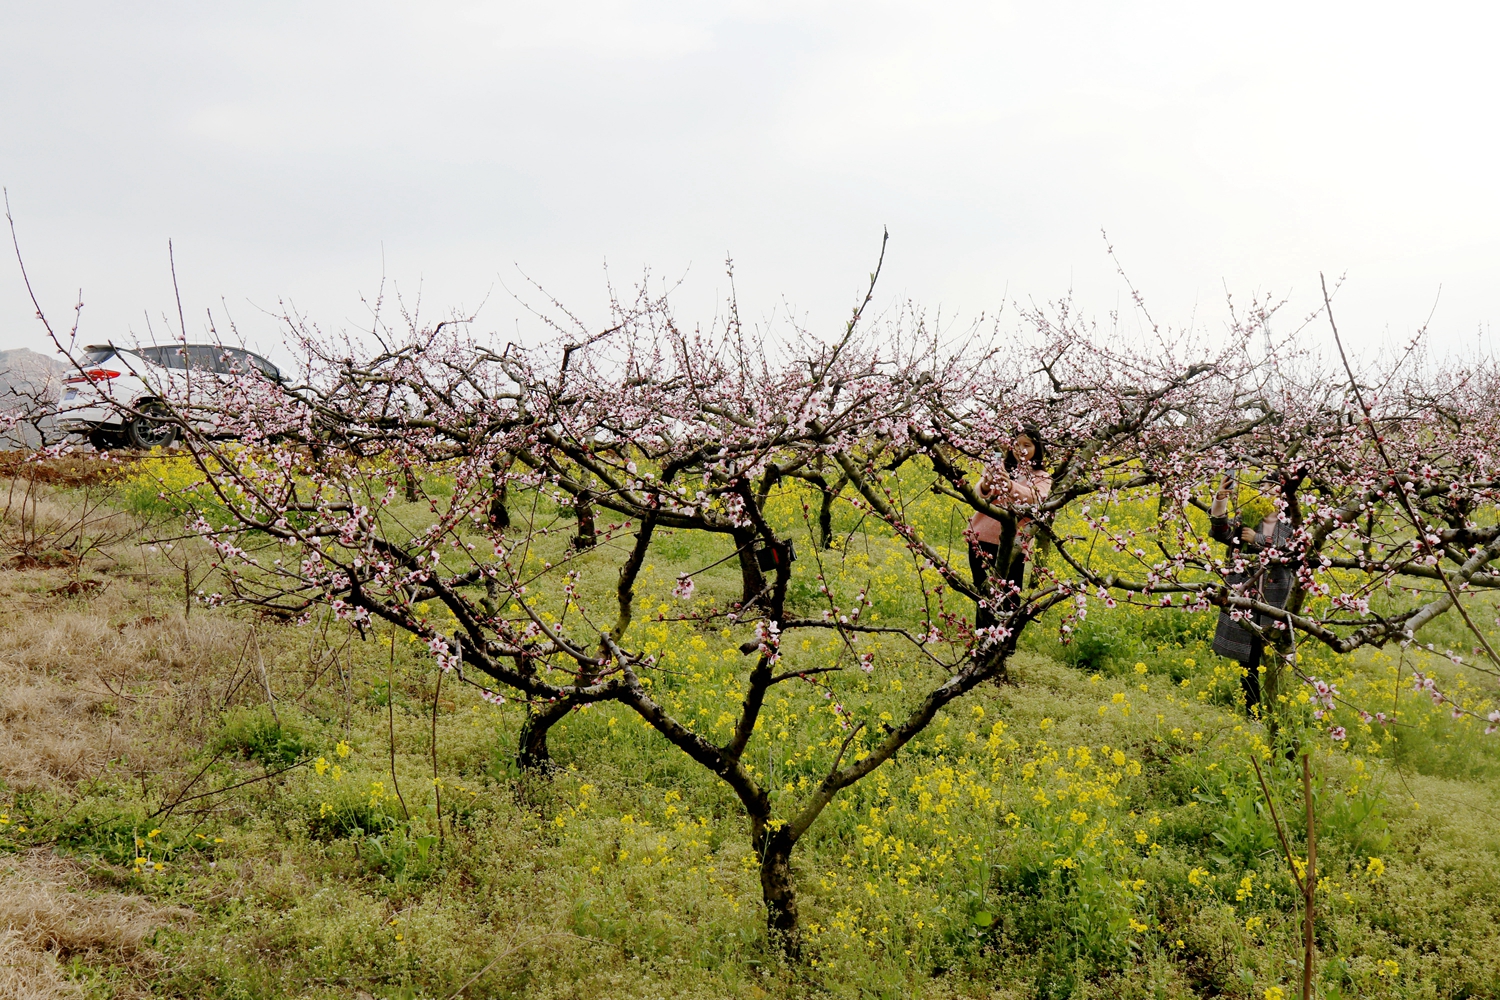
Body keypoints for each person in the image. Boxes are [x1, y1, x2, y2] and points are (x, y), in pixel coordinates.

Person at [1209, 472, 1293, 714]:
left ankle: (1278, 708)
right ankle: (1251, 710)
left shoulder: (1291, 523)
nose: (1264, 491)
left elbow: (1294, 553)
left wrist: (1258, 539)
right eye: (1261, 486)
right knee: (1248, 657)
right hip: (1245, 593)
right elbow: (1222, 532)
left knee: (1274, 654)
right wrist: (1220, 500)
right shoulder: (1248, 517)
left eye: (1271, 487)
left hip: (1276, 596)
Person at [967, 427, 1052, 632]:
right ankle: (983, 637)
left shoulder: (1042, 477)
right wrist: (987, 483)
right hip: (981, 538)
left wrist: (1010, 486)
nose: (1021, 449)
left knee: (1010, 596)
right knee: (984, 594)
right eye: (1016, 444)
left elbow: (1037, 499)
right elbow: (980, 494)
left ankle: (1004, 640)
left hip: (1014, 545)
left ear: (1037, 448)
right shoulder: (1001, 466)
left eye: (1027, 445)